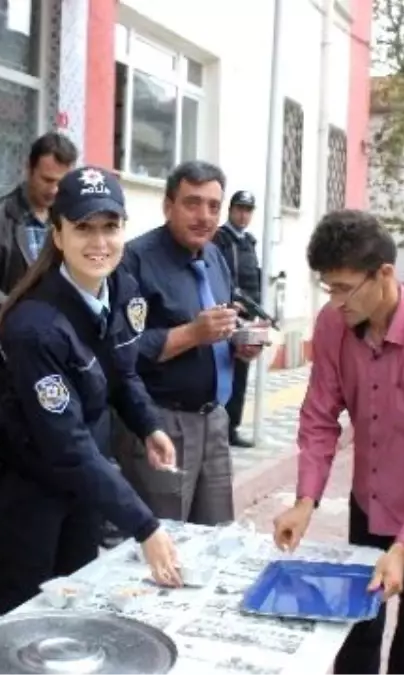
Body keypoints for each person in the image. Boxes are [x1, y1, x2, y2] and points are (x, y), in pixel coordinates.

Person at [272, 210, 404, 675]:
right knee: (356, 628)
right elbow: (320, 416)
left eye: (344, 288)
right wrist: (306, 500)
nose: (335, 302)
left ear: (384, 274)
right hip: (370, 498)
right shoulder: (332, 325)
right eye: (328, 288)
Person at [0, 165, 184, 617]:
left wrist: (147, 423)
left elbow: (122, 367)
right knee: (21, 620)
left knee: (74, 610)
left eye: (110, 227)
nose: (99, 243)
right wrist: (144, 526)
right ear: (57, 235)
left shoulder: (121, 289)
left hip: (83, 489)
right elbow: (66, 444)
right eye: (83, 228)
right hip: (30, 494)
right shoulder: (34, 327)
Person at [113, 161, 266, 527]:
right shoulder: (135, 260)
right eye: (192, 203)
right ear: (168, 206)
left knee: (213, 538)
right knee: (162, 545)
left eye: (214, 206)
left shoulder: (214, 256)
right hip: (161, 423)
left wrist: (237, 344)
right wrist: (192, 334)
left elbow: (217, 327)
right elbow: (123, 350)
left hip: (214, 420)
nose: (204, 216)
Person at [0, 132, 79, 312]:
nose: (54, 190)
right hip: (9, 332)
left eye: (61, 183)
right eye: (47, 180)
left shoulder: (70, 220)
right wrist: (17, 309)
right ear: (29, 170)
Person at [212, 189, 262, 448]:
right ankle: (217, 429)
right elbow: (218, 273)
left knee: (241, 373)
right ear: (230, 210)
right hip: (227, 313)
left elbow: (254, 276)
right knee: (222, 370)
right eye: (239, 209)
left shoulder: (249, 242)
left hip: (248, 318)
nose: (243, 215)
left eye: (248, 210)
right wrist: (231, 300)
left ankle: (232, 428)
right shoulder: (220, 238)